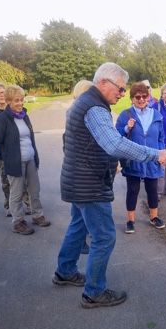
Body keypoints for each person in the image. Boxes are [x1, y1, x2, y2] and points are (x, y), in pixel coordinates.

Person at [53, 62, 166, 309]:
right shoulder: (95, 108)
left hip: (79, 179)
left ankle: (65, 272)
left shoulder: (86, 103)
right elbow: (114, 144)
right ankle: (94, 292)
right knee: (104, 237)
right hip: (89, 183)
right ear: (104, 83)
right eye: (120, 89)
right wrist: (154, 153)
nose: (121, 94)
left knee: (78, 225)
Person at [0, 85, 51, 235]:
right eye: (16, 100)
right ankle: (18, 222)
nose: (20, 103)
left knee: (34, 189)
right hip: (14, 162)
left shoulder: (25, 116)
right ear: (9, 101)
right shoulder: (2, 119)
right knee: (16, 193)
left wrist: (35, 157)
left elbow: (30, 138)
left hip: (30, 159)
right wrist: (4, 159)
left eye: (22, 100)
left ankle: (37, 215)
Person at [116, 82, 165, 233]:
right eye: (138, 97)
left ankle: (154, 217)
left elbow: (161, 136)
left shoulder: (156, 115)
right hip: (134, 160)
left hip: (152, 159)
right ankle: (130, 221)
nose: (141, 99)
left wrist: (161, 153)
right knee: (133, 190)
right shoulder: (126, 115)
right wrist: (126, 128)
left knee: (152, 189)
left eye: (144, 96)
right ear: (132, 99)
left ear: (149, 97)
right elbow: (116, 136)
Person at [0, 82, 31, 217]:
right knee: (6, 179)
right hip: (2, 153)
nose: (0, 94)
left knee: (22, 176)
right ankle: (9, 205)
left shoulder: (18, 110)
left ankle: (27, 202)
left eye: (2, 91)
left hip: (18, 150)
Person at [71, 80, 94, 254]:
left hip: (77, 171)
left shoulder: (75, 111)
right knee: (80, 215)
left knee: (78, 215)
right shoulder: (80, 114)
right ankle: (80, 242)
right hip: (81, 172)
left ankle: (65, 269)